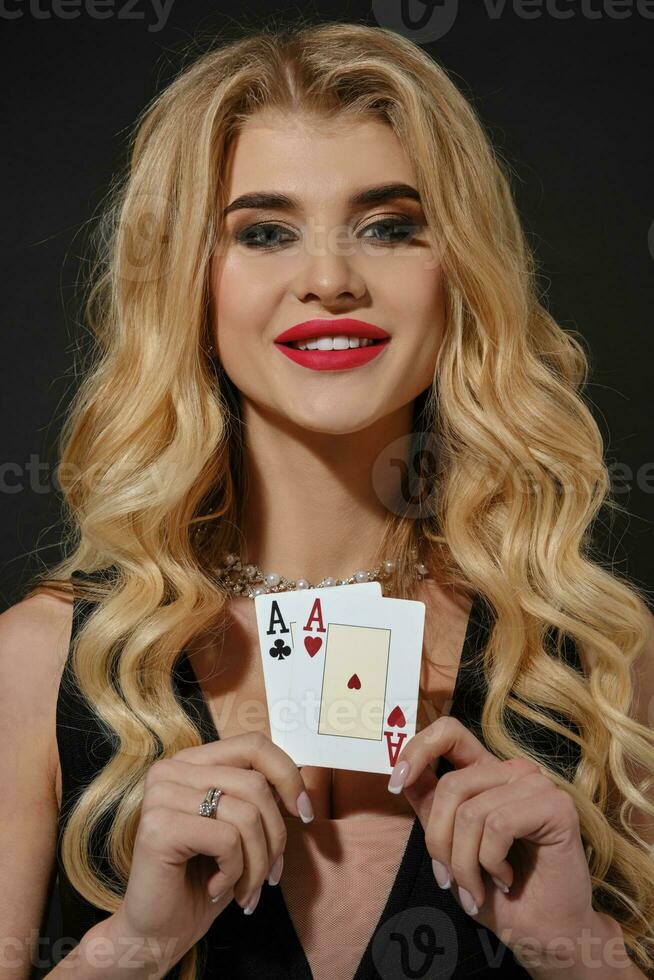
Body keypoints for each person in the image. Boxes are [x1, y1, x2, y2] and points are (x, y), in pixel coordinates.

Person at [1, 17, 653, 980]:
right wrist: (130, 950)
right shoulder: (35, 665)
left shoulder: (598, 657)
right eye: (263, 232)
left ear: (459, 274)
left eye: (389, 227)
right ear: (189, 280)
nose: (330, 279)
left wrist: (579, 951)